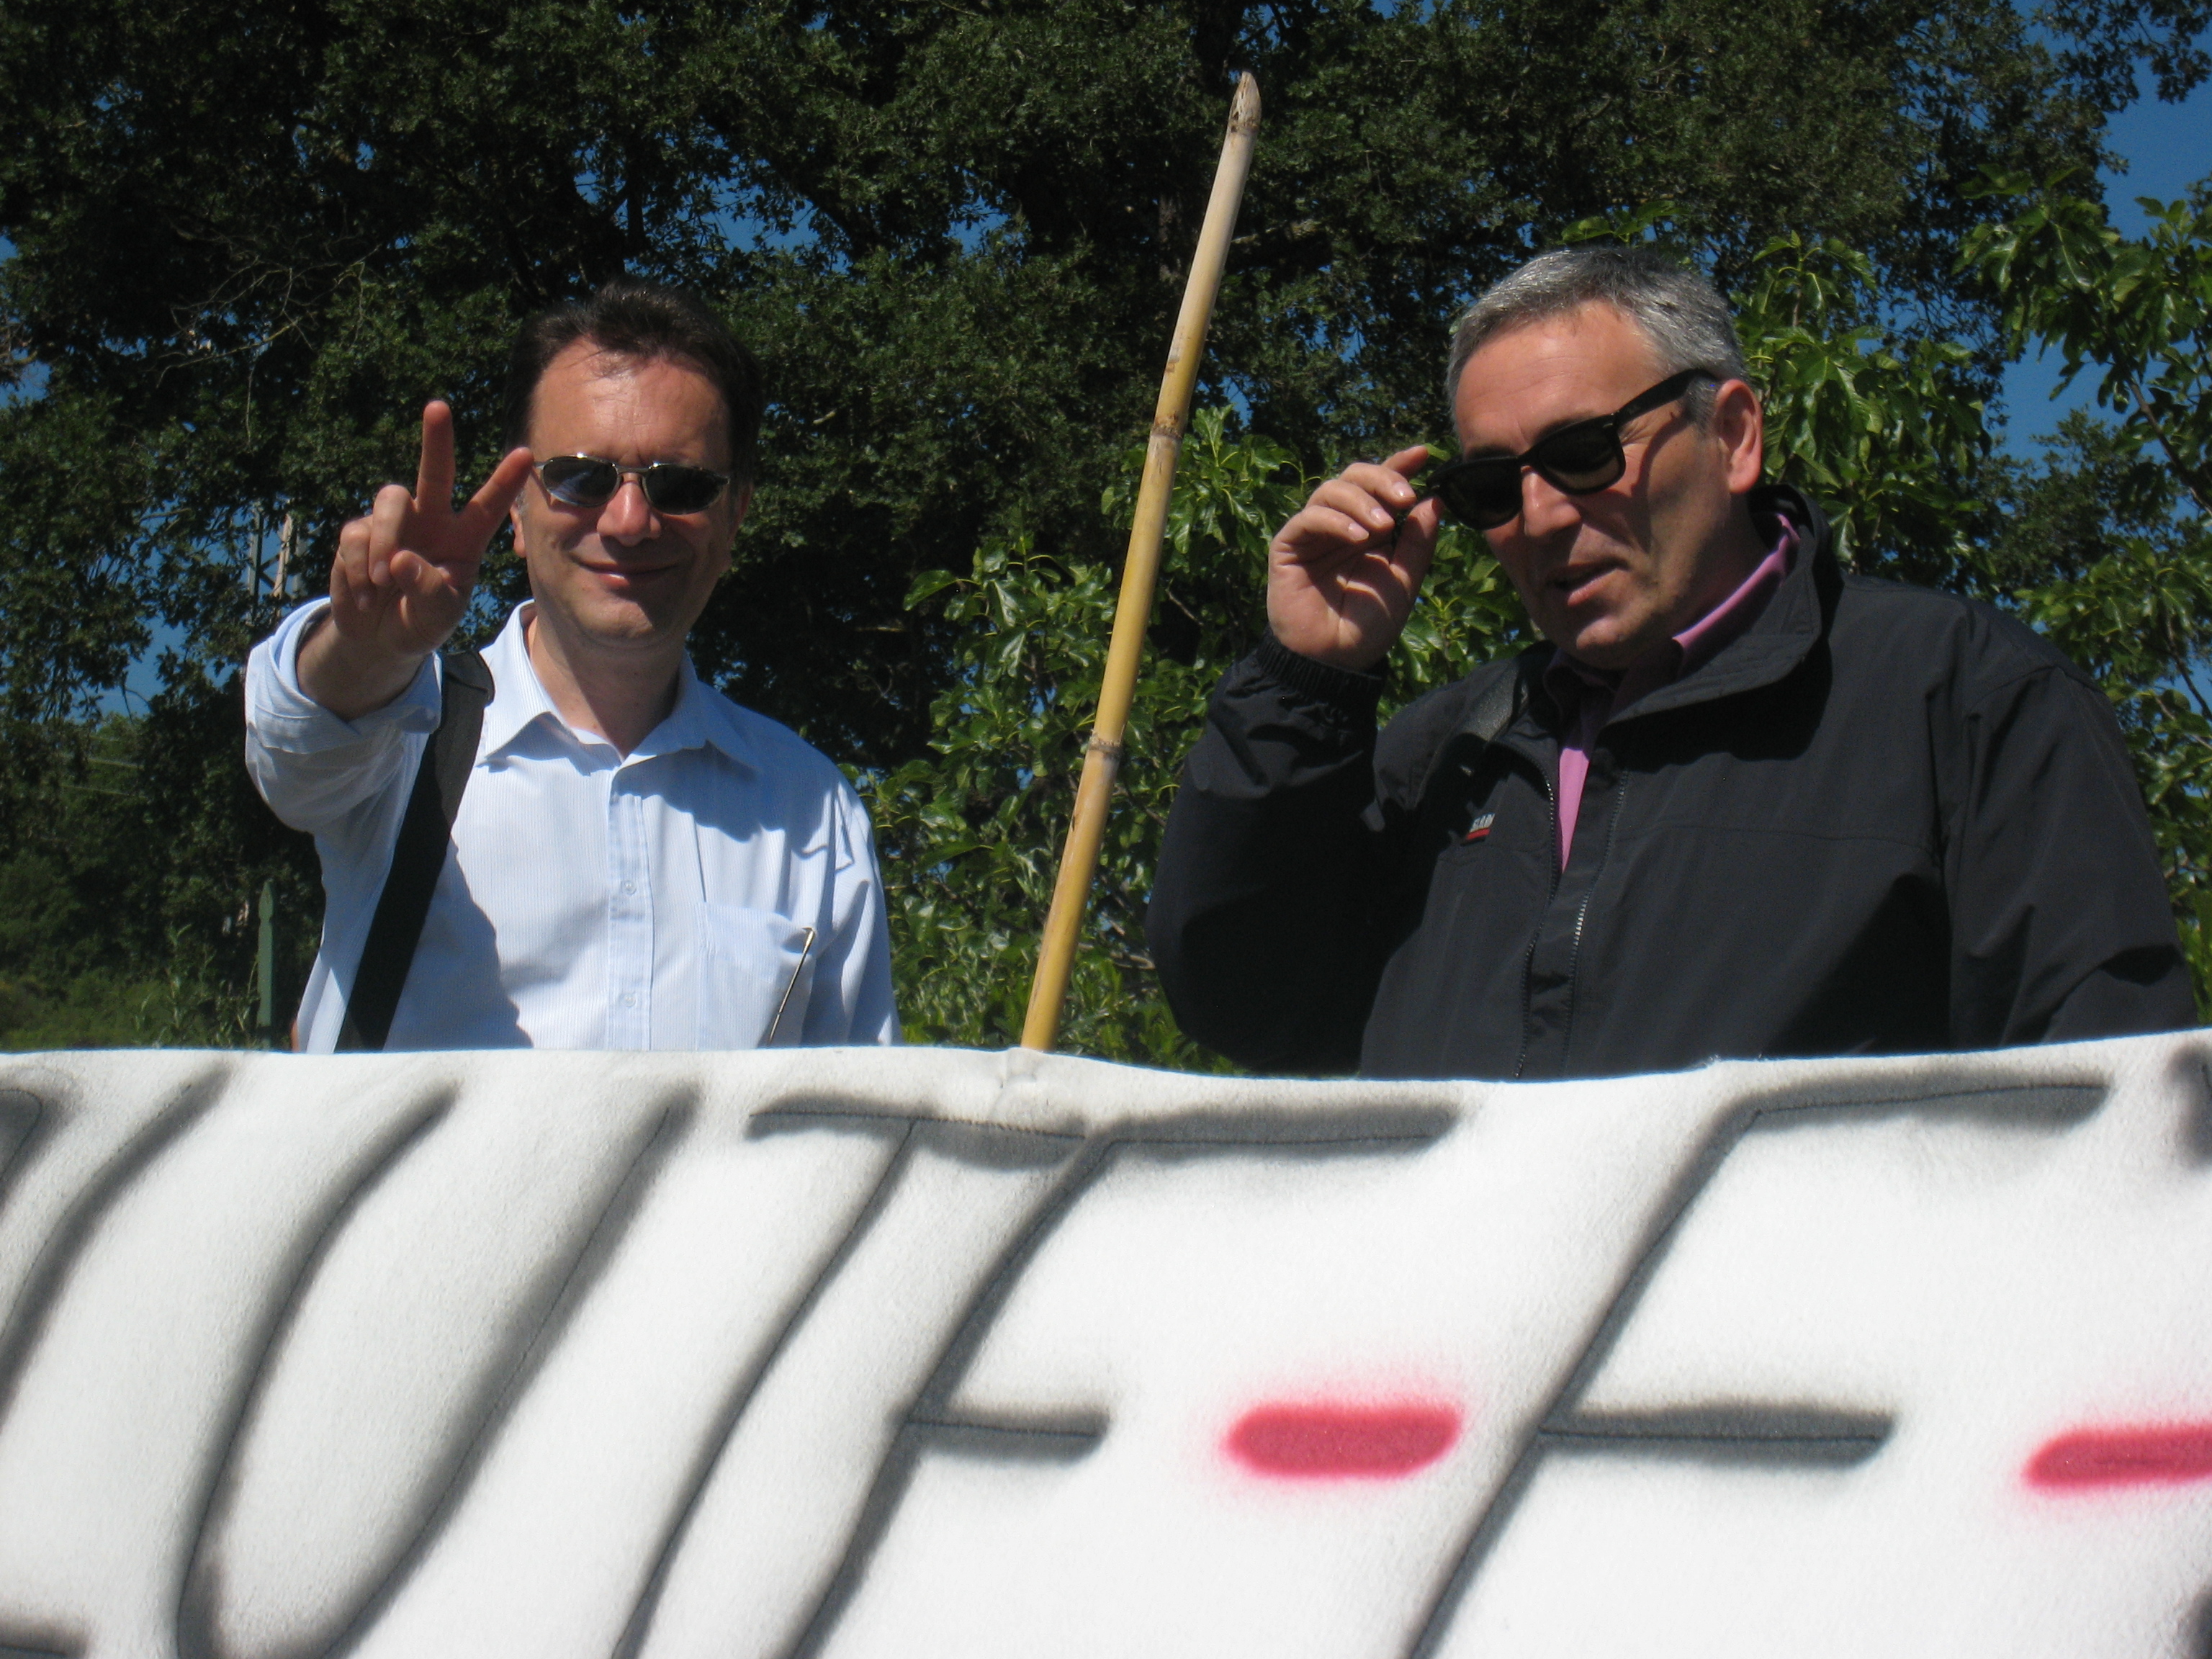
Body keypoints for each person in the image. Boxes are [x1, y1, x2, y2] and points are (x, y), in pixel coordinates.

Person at [1146, 246, 2194, 1080]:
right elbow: (1248, 1007)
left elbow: (2101, 1104)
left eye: (1582, 454)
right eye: (1492, 488)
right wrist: (1309, 684)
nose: (1540, 517)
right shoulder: (1445, 755)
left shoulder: (1963, 698)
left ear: (1733, 436)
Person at [247, 279, 897, 1051]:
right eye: (583, 478)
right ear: (516, 509)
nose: (630, 521)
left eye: (681, 485)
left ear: (735, 516)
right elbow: (294, 756)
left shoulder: (813, 811)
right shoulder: (403, 738)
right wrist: (365, 651)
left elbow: (846, 1113)